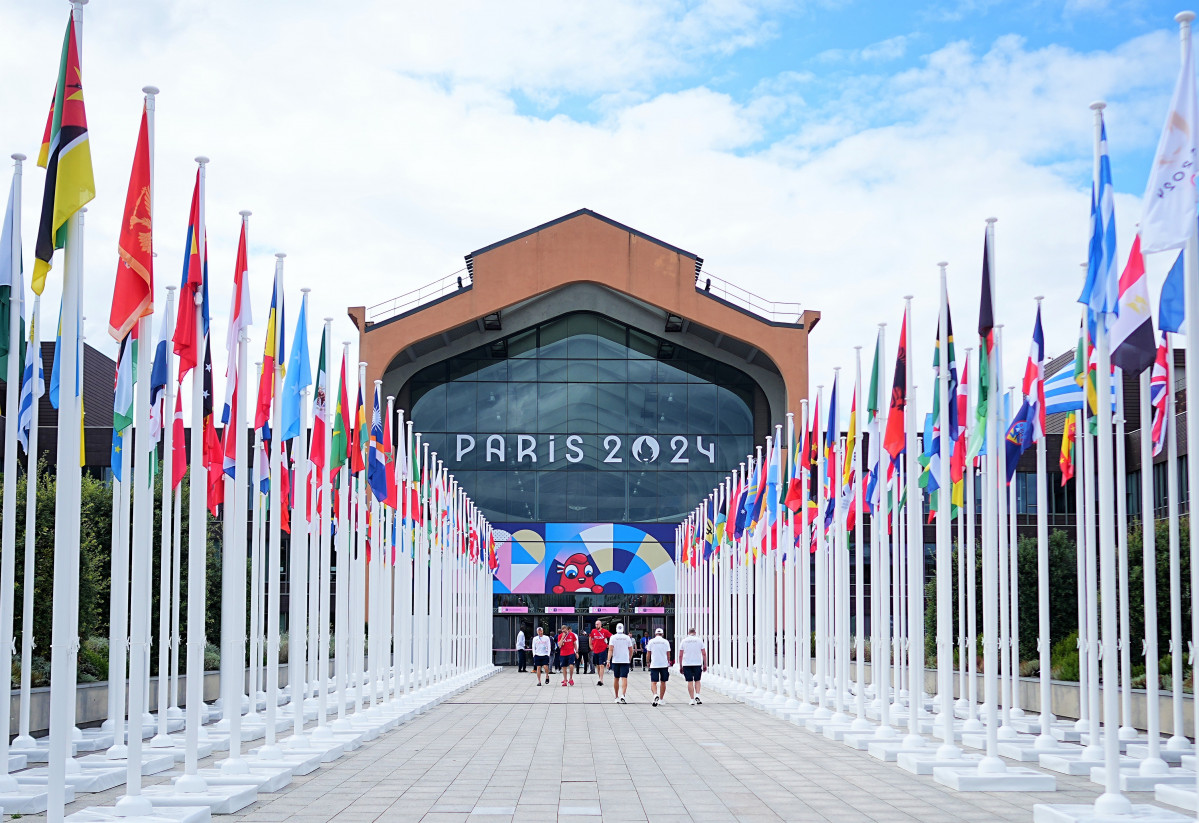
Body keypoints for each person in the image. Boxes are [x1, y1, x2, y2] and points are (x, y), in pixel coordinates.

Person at [677, 627, 708, 705]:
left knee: (690, 681)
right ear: (695, 632)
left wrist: (680, 666)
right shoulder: (699, 640)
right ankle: (697, 695)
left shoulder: (684, 641)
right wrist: (705, 664)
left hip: (687, 664)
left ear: (688, 633)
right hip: (697, 663)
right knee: (697, 680)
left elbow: (680, 655)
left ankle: (692, 699)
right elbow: (704, 653)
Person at [608, 623, 635, 704]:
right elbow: (631, 650)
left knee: (616, 678)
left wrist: (608, 660)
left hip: (616, 660)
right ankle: (623, 695)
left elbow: (610, 650)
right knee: (624, 678)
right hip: (625, 660)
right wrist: (630, 658)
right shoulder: (627, 638)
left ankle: (616, 697)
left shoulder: (613, 637)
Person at [646, 627, 671, 706]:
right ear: (662, 634)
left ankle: (655, 695)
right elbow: (668, 654)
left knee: (653, 682)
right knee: (663, 682)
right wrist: (668, 661)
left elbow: (648, 653)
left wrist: (647, 662)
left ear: (655, 634)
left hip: (654, 664)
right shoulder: (665, 642)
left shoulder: (651, 641)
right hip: (663, 664)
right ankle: (661, 699)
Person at [589, 619, 612, 686]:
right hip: (595, 650)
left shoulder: (604, 631)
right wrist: (590, 645)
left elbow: (611, 636)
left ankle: (601, 679)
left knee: (602, 665)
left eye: (598, 624)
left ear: (600, 625)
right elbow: (590, 637)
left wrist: (609, 645)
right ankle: (599, 678)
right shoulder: (593, 631)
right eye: (596, 624)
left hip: (602, 650)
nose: (597, 625)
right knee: (598, 666)